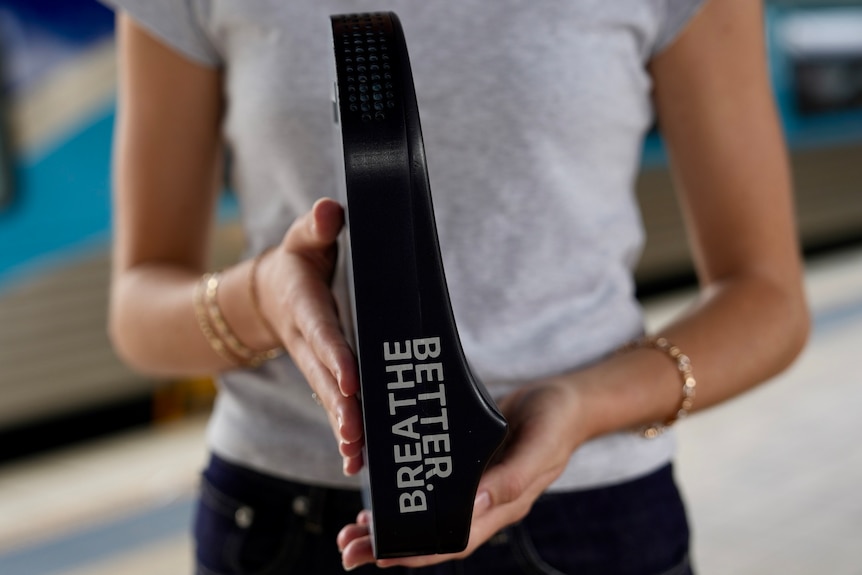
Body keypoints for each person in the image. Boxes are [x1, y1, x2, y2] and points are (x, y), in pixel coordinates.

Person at [103, 0, 810, 573]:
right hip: (284, 520)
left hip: (590, 519)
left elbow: (767, 297)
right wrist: (260, 298)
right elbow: (139, 305)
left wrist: (582, 406)